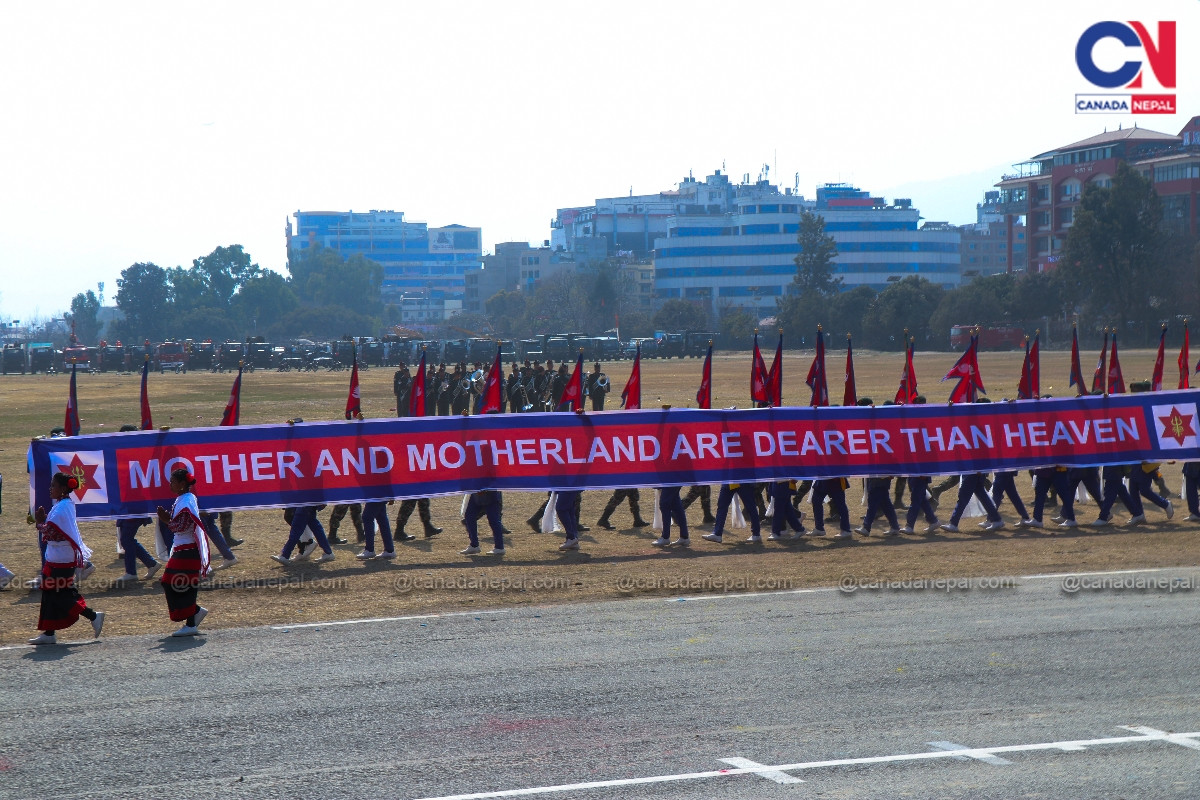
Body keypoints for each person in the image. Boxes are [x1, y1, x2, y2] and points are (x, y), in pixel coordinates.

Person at [29, 472, 105, 644]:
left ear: (63, 489)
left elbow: (54, 533)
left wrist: (40, 524)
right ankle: (49, 633)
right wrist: (42, 524)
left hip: (62, 559)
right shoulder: (62, 505)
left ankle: (93, 616)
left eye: (53, 486)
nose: (50, 489)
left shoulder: (63, 507)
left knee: (60, 594)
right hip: (57, 557)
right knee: (51, 593)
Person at [156, 468, 211, 637]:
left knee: (173, 583)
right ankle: (193, 617)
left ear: (181, 484)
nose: (170, 484)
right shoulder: (183, 498)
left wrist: (165, 519)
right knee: (177, 583)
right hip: (183, 548)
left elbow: (182, 526)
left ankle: (193, 616)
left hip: (188, 549)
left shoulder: (187, 500)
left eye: (173, 481)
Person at [116, 516, 161, 582]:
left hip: (132, 512)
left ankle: (131, 572)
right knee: (127, 541)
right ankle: (152, 564)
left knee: (127, 540)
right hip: (127, 512)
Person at [460, 490, 506, 555]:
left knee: (493, 520)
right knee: (469, 516)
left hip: (491, 493)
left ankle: (499, 547)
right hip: (476, 493)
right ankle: (474, 545)